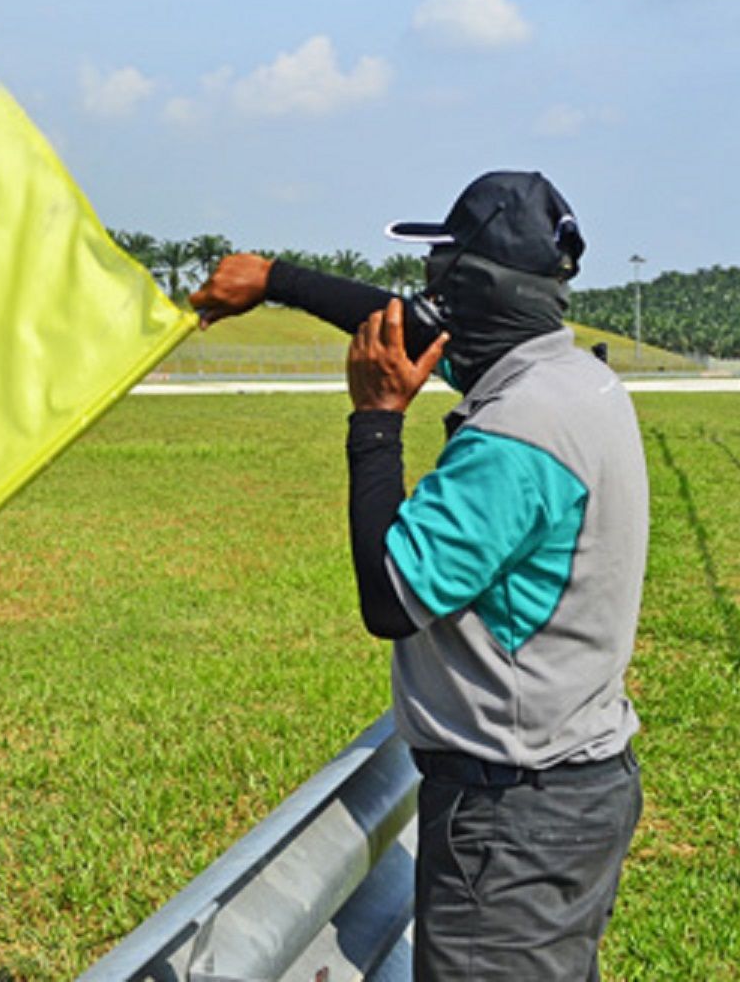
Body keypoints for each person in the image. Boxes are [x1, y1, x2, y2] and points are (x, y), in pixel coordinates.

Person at [189, 170, 647, 981]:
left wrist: (374, 423)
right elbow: (410, 329)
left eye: (440, 268)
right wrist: (276, 282)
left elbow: (391, 599)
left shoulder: (518, 432)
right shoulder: (570, 378)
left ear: (470, 285)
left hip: (513, 815)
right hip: (572, 788)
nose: (425, 289)